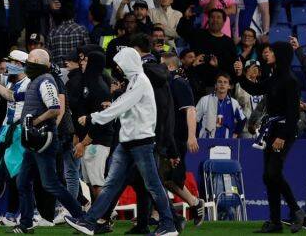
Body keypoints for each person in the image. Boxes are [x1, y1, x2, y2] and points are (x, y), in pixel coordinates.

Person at [65, 47, 178, 236]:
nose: (117, 68)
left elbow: (122, 105)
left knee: (152, 184)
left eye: (120, 64)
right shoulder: (133, 82)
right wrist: (100, 113)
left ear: (128, 63)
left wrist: (94, 117)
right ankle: (90, 222)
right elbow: (121, 104)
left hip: (141, 142)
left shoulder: (140, 81)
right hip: (128, 142)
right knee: (111, 185)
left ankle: (169, 224)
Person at [234, 42, 306, 233]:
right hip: (272, 130)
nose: (268, 54)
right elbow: (255, 89)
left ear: (281, 55)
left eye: (272, 52)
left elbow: (293, 114)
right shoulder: (275, 76)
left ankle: (296, 211)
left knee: (272, 173)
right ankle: (275, 221)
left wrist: (282, 137)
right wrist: (240, 75)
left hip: (284, 132)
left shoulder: (291, 80)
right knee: (269, 176)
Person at [13, 49, 83, 233]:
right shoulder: (37, 81)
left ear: (36, 61)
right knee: (23, 182)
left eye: (29, 60)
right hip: (34, 141)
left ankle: (82, 217)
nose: (27, 63)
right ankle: (26, 223)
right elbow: (11, 96)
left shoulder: (45, 80)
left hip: (43, 139)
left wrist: (34, 122)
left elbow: (55, 108)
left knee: (50, 184)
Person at [160, 52, 206, 226]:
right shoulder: (169, 83)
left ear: (171, 66)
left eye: (162, 65)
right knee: (165, 177)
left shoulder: (179, 83)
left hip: (178, 139)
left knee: (168, 177)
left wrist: (191, 136)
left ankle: (166, 214)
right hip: (169, 138)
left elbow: (191, 110)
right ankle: (194, 202)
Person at [73, 50, 113, 200]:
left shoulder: (100, 88)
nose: (82, 63)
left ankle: (104, 216)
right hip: (87, 140)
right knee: (89, 181)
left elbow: (102, 122)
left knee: (97, 182)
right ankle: (95, 215)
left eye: (86, 61)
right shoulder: (88, 83)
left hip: (97, 141)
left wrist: (83, 143)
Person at [177, 8, 236, 87]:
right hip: (196, 81)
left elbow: (231, 64)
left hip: (217, 84)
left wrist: (218, 64)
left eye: (218, 17)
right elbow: (181, 31)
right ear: (208, 20)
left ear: (224, 21)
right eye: (212, 17)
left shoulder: (229, 42)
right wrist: (186, 18)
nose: (215, 20)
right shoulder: (198, 34)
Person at [195, 72, 246, 138]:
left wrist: (236, 133)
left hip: (227, 143)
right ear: (215, 85)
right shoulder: (204, 100)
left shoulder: (234, 103)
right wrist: (194, 136)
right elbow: (194, 119)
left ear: (229, 86)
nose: (222, 84)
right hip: (207, 141)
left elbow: (242, 119)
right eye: (220, 82)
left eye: (225, 82)